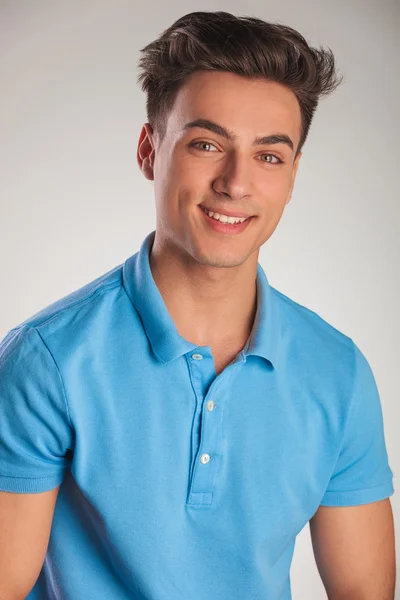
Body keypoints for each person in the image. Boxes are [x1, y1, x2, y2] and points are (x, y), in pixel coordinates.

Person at [0, 10, 396, 600]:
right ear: (148, 149)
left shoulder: (338, 374)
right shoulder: (49, 360)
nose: (236, 182)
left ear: (291, 176)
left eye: (268, 155)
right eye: (207, 144)